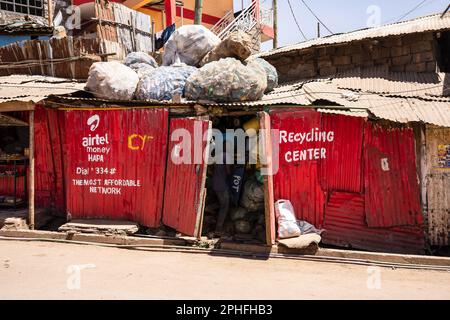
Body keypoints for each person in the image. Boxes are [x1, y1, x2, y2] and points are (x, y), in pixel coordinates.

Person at [212, 141, 232, 235]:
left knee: (220, 203)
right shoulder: (227, 156)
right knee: (225, 205)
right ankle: (218, 229)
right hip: (221, 184)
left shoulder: (218, 155)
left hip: (215, 182)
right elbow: (228, 171)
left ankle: (209, 212)